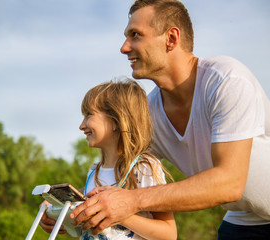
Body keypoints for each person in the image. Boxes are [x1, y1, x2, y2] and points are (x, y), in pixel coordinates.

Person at [69, 0, 270, 239]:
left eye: (135, 35)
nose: (124, 47)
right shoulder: (150, 112)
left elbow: (230, 183)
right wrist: (76, 210)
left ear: (171, 38)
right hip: (242, 221)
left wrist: (132, 201)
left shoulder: (226, 81)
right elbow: (124, 181)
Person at [77, 79, 176, 239]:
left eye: (89, 114)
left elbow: (168, 234)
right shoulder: (93, 172)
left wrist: (120, 214)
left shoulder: (144, 167)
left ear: (116, 120)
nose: (82, 125)